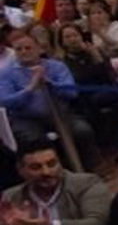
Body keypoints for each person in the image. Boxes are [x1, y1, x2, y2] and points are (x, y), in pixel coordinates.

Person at [0, 30, 94, 159]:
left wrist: (50, 83)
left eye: (28, 48)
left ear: (39, 49)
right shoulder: (6, 74)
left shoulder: (56, 67)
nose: (23, 52)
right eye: (19, 49)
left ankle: (92, 166)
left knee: (82, 131)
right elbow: (6, 101)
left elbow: (72, 92)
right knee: (34, 140)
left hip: (61, 113)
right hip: (26, 119)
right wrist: (30, 88)